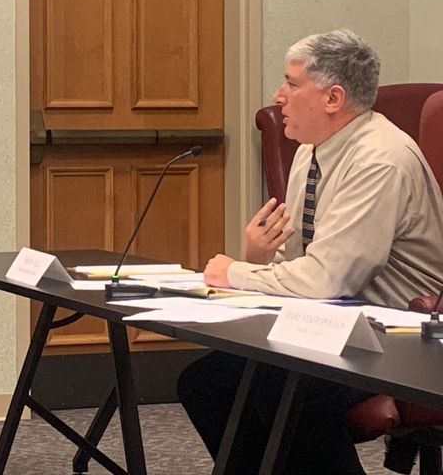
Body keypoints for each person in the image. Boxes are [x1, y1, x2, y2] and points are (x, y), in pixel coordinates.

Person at [177, 29, 443, 474]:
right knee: (205, 382)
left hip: (401, 334)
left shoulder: (380, 158)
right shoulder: (312, 151)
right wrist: (258, 261)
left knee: (282, 388)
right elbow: (308, 268)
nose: (279, 95)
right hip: (339, 323)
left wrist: (237, 274)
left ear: (333, 98)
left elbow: (326, 280)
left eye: (292, 83)